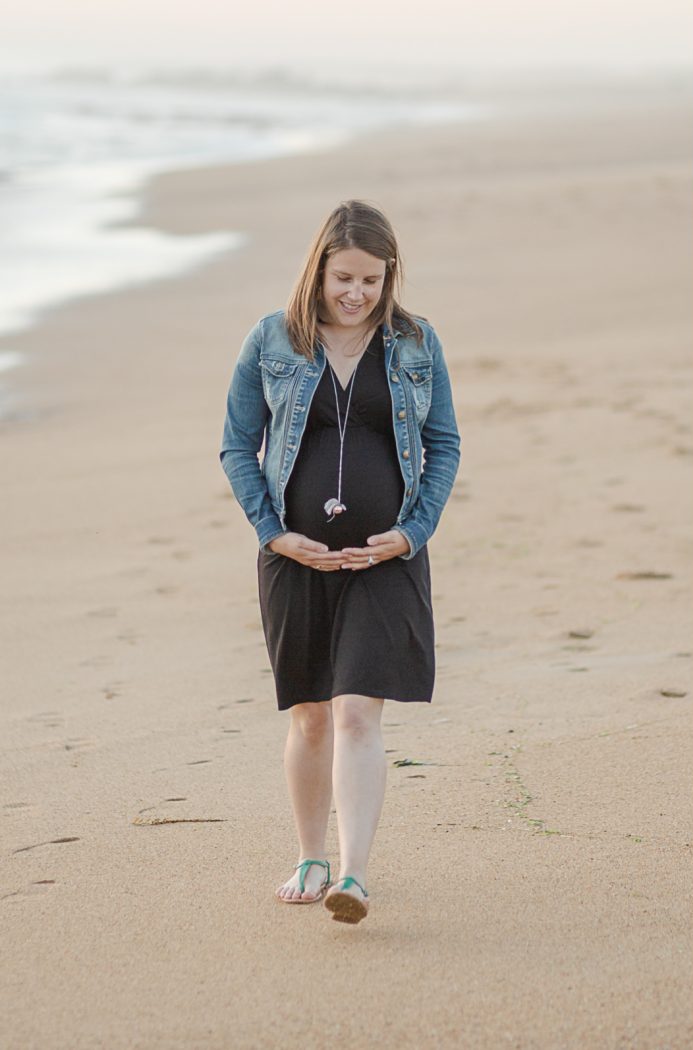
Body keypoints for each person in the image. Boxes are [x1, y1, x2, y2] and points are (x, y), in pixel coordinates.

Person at [221, 200, 460, 924]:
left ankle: (353, 876)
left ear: (390, 277)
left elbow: (443, 444)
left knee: (357, 712)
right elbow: (237, 445)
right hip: (295, 561)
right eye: (344, 278)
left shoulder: (415, 343)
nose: (356, 293)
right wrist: (273, 534)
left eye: (371, 280)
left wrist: (412, 533)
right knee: (312, 719)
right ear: (318, 271)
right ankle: (311, 856)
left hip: (385, 561)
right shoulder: (272, 339)